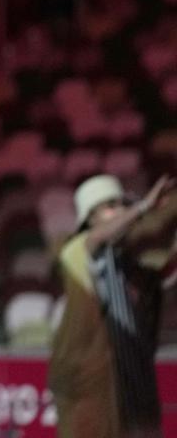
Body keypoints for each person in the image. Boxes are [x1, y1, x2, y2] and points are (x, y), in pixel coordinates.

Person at [49, 173, 177, 438]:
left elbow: (164, 273)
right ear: (90, 218)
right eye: (110, 206)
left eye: (122, 204)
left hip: (134, 383)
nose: (120, 210)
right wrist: (143, 207)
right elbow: (97, 240)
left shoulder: (128, 260)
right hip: (95, 388)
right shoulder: (76, 250)